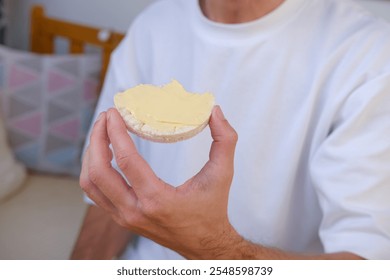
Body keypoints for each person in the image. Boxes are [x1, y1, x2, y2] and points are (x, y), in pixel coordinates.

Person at [71, 0, 390, 260]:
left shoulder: (369, 56)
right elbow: (113, 190)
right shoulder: (153, 25)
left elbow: (364, 260)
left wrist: (212, 246)